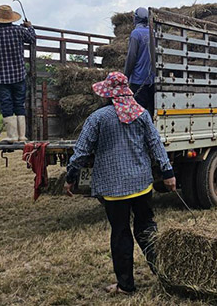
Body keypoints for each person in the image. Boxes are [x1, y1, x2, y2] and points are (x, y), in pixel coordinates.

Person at [64, 71, 176, 295]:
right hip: (142, 184)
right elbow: (156, 144)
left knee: (121, 233)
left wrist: (70, 177)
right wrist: (168, 172)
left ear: (107, 94)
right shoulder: (142, 114)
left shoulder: (98, 118)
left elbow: (82, 151)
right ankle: (165, 274)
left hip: (114, 189)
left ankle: (126, 285)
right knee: (147, 229)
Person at [0, 4, 36, 142]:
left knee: (6, 104)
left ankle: (12, 136)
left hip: (0, 77)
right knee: (19, 104)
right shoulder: (19, 31)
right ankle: (22, 136)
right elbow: (32, 39)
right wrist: (30, 26)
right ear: (11, 18)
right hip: (19, 75)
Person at [123, 7, 155, 116]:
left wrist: (126, 76)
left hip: (138, 80)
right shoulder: (153, 33)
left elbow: (131, 56)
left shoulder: (136, 34)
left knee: (137, 113)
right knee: (151, 112)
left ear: (136, 19)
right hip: (152, 80)